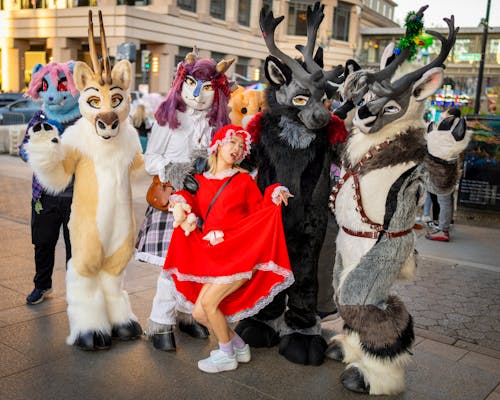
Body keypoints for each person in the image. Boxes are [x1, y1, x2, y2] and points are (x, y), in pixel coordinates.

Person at [164, 124, 295, 373]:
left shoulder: (243, 180)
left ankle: (226, 355)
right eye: (232, 142)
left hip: (238, 254)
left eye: (240, 145)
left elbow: (260, 210)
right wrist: (180, 202)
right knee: (200, 313)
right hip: (214, 255)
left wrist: (274, 193)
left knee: (210, 305)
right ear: (218, 144)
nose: (236, 148)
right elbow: (190, 202)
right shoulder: (201, 181)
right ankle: (239, 347)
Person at [135, 50, 233, 350]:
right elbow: (150, 158)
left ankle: (186, 316)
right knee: (171, 265)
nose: (198, 93)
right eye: (193, 83)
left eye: (207, 87)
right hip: (173, 201)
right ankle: (160, 322)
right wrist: (176, 172)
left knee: (196, 264)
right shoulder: (170, 118)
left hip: (203, 204)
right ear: (183, 82)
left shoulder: (217, 124)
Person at [18, 61, 81, 304]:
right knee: (43, 243)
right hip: (44, 195)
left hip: (76, 196)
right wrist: (37, 152)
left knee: (75, 249)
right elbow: (23, 149)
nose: (54, 94)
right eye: (48, 86)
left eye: (64, 85)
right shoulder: (39, 116)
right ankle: (42, 285)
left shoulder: (82, 120)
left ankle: (76, 292)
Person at [426, 107, 462, 242]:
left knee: (444, 200)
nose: (442, 116)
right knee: (447, 200)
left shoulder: (449, 130)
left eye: (445, 114)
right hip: (449, 169)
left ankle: (443, 230)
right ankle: (443, 226)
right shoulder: (456, 128)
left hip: (443, 170)